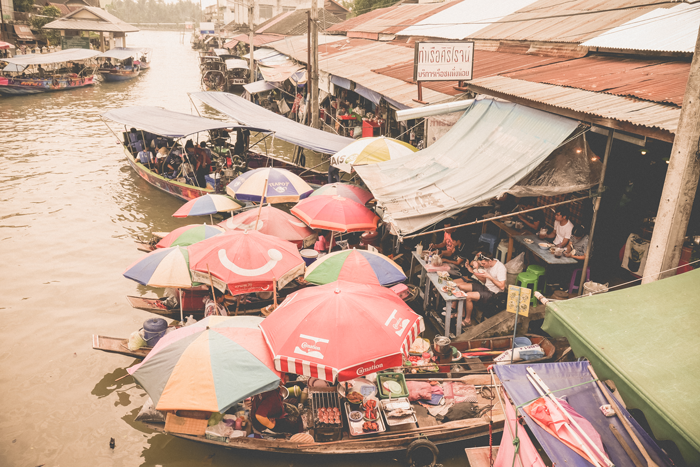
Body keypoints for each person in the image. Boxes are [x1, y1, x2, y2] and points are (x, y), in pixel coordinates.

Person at [453, 253, 507, 326]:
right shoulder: (487, 264)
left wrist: (489, 277)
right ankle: (462, 313)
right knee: (459, 287)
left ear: (490, 261)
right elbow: (485, 281)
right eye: (482, 264)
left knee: (468, 296)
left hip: (494, 293)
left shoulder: (500, 268)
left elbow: (502, 287)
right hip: (485, 287)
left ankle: (468, 320)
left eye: (484, 264)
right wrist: (472, 271)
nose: (483, 265)